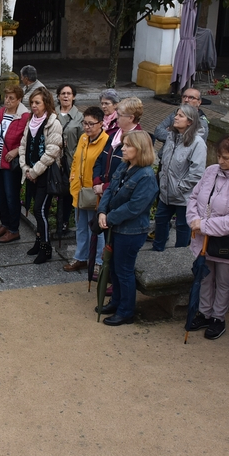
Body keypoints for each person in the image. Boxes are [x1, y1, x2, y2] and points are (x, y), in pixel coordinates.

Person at [186, 135, 229, 339]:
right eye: (219, 156)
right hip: (203, 236)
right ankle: (204, 312)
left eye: (226, 158)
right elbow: (194, 197)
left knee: (224, 280)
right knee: (205, 276)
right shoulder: (211, 171)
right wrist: (193, 219)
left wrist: (205, 225)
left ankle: (218, 318)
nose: (220, 161)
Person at [97, 131, 159, 326]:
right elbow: (109, 190)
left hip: (131, 231)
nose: (122, 148)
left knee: (124, 271)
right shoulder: (125, 166)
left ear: (140, 149)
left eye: (128, 145)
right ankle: (116, 302)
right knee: (115, 269)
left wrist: (109, 218)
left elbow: (134, 207)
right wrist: (102, 211)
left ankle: (126, 311)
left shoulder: (146, 176)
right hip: (115, 227)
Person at [153, 105, 206, 252]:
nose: (175, 117)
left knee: (182, 227)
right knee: (160, 221)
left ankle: (179, 256)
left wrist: (179, 188)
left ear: (190, 121)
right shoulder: (171, 137)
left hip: (183, 197)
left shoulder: (197, 143)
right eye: (176, 114)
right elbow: (164, 162)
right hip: (165, 194)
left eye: (180, 116)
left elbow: (197, 173)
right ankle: (157, 252)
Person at [18, 87, 62, 264]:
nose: (34, 106)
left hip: (45, 174)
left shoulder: (53, 123)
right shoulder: (31, 121)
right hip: (31, 172)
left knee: (40, 210)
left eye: (37, 103)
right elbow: (23, 145)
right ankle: (38, 241)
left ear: (46, 104)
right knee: (34, 208)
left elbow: (52, 151)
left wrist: (35, 171)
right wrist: (26, 169)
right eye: (32, 103)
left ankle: (46, 247)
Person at [65, 106, 108, 273]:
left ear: (101, 124)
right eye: (85, 123)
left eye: (91, 124)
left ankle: (98, 261)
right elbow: (76, 160)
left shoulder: (106, 141)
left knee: (96, 229)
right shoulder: (83, 138)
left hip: (94, 193)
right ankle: (81, 257)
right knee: (81, 227)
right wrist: (73, 176)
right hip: (80, 191)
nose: (87, 127)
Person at [0, 84, 30, 244]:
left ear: (19, 99)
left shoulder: (25, 117)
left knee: (11, 197)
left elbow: (27, 140)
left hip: (11, 165)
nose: (7, 101)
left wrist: (16, 151)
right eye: (6, 97)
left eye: (11, 98)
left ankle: (14, 229)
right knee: (0, 196)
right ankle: (4, 223)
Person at [95, 96, 145, 192]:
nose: (116, 117)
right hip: (102, 191)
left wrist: (104, 188)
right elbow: (100, 159)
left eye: (119, 115)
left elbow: (130, 175)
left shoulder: (139, 141)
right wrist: (97, 181)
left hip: (118, 194)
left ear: (131, 118)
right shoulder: (112, 135)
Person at [56, 84, 84, 237]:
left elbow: (82, 142)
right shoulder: (51, 114)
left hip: (70, 162)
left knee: (67, 194)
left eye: (69, 93)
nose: (65, 96)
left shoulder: (80, 117)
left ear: (74, 96)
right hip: (53, 161)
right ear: (58, 96)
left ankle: (64, 222)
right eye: (63, 93)